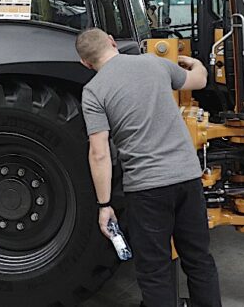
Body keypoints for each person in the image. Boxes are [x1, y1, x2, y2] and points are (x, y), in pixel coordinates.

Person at [75, 28, 221, 307]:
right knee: (199, 259)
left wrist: (105, 205)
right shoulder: (154, 62)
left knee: (155, 269)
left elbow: (99, 153)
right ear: (112, 42)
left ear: (86, 63)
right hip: (187, 178)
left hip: (146, 189)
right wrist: (195, 63)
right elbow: (200, 80)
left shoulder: (93, 92)